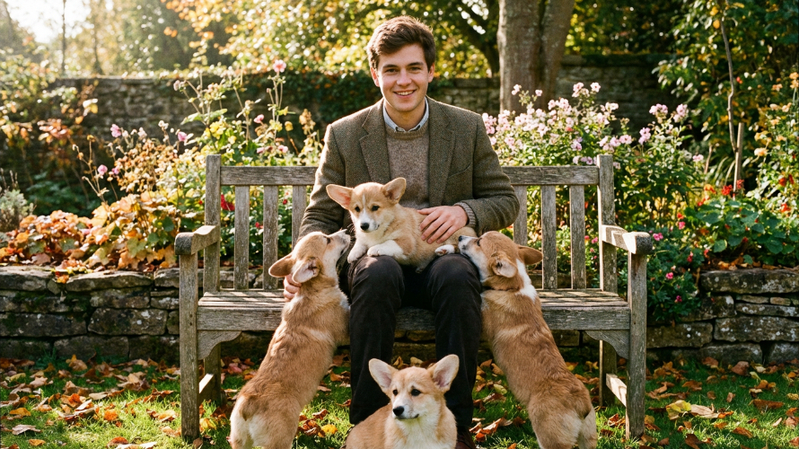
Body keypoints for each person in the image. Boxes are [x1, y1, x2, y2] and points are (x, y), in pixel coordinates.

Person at [283, 16, 519, 449]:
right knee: (376, 273)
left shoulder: (465, 127)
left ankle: (456, 429)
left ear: (431, 71)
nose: (403, 80)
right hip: (376, 263)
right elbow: (318, 216)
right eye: (391, 70)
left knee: (457, 274)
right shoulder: (346, 134)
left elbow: (504, 199)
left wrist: (463, 209)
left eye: (414, 68)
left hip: (439, 259)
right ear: (376, 75)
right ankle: (369, 427)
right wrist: (305, 263)